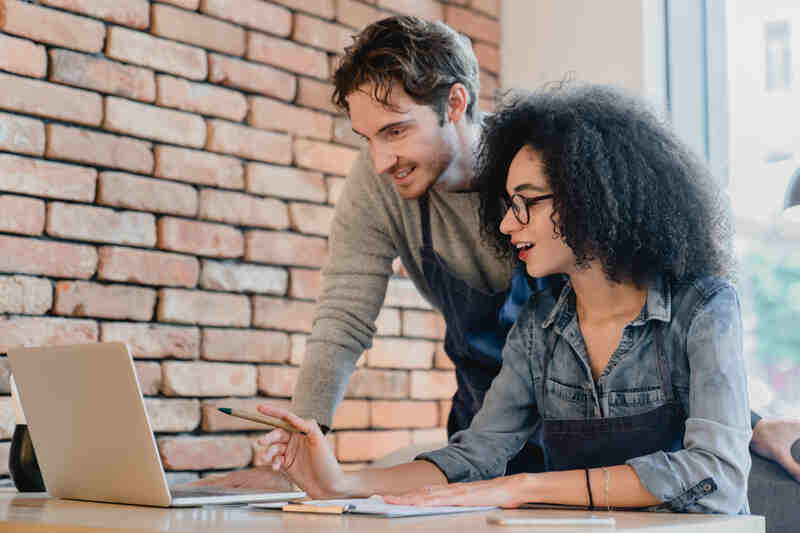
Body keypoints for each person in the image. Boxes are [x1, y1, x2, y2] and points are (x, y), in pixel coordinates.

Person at [193, 15, 800, 489]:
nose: (379, 161)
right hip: (490, 425)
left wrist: (740, 426)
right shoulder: (382, 189)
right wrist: (304, 453)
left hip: (610, 448)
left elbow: (657, 318)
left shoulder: (549, 164)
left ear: (455, 103)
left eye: (395, 130)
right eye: (366, 138)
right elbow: (342, 321)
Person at [254, 84, 751, 513]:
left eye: (526, 204)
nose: (508, 225)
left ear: (592, 198)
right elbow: (475, 455)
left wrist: (524, 487)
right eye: (507, 205)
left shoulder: (704, 309)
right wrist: (341, 482)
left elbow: (714, 475)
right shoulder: (539, 327)